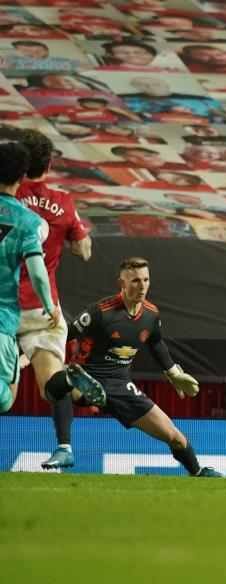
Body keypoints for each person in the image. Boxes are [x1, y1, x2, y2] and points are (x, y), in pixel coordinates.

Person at [40, 257, 224, 477]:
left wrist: (173, 372)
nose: (143, 286)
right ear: (122, 283)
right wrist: (45, 355)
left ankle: (198, 471)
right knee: (65, 383)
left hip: (121, 386)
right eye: (136, 280)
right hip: (89, 376)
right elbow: (65, 335)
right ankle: (64, 447)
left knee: (175, 437)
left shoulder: (151, 315)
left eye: (146, 280)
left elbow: (155, 342)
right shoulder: (100, 312)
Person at [14, 132, 91, 466]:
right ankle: (64, 448)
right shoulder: (63, 201)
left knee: (5, 392)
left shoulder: (7, 196)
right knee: (52, 384)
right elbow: (84, 252)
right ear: (49, 165)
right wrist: (71, 237)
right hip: (44, 309)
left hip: (6, 306)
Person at [0, 141, 60, 414]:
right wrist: (49, 306)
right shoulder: (29, 221)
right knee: (4, 400)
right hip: (3, 322)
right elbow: (37, 270)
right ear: (22, 177)